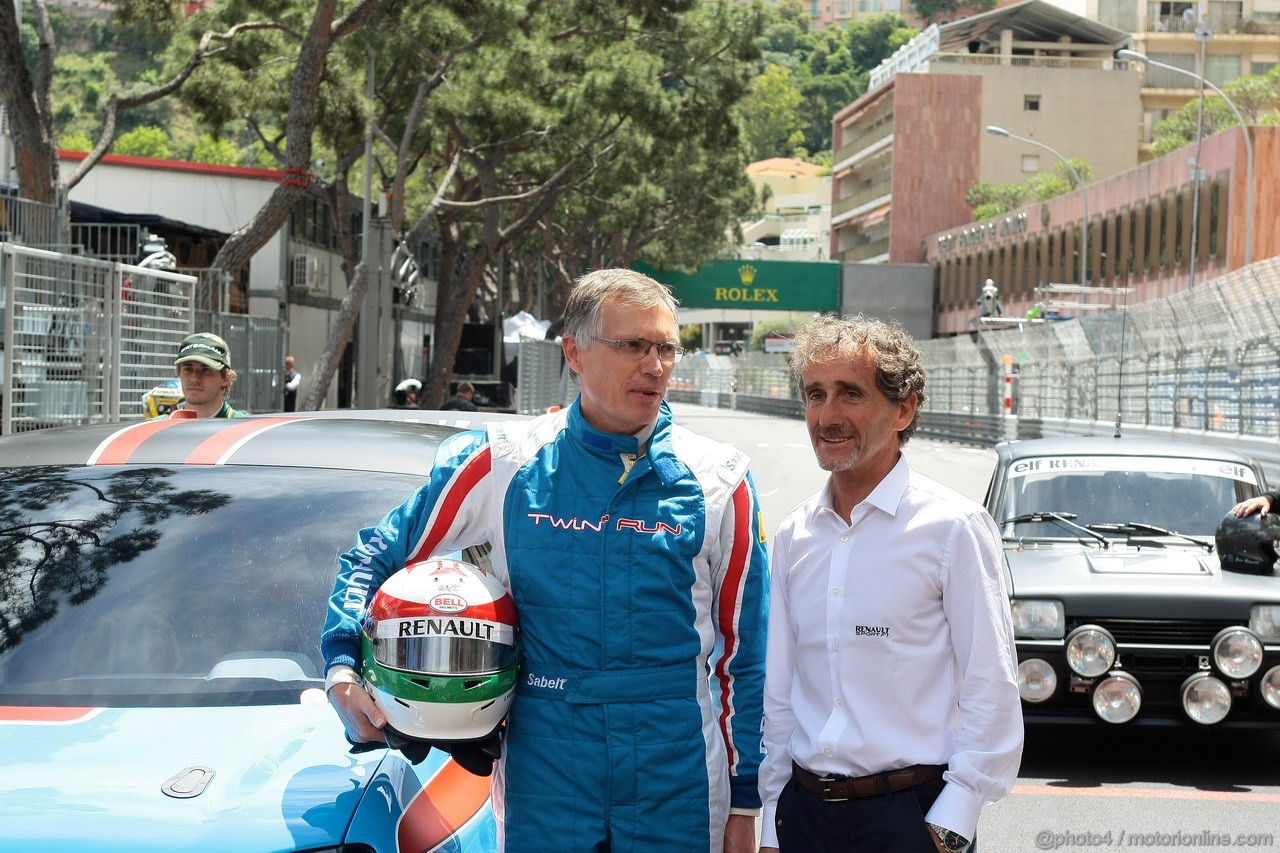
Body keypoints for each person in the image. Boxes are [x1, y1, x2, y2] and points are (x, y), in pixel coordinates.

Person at [321, 268, 769, 853]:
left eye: (666, 348)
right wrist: (342, 668)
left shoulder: (721, 478)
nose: (655, 366)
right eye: (633, 345)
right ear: (574, 352)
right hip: (546, 755)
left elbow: (747, 654)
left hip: (677, 762)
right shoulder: (501, 463)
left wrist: (746, 798)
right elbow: (375, 554)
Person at [759, 314, 1022, 853]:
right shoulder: (794, 534)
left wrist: (954, 819)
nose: (827, 416)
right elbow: (781, 690)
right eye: (815, 394)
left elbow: (989, 684)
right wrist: (772, 815)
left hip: (910, 820)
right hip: (803, 817)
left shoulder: (953, 529)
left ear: (904, 408)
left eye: (850, 394)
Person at [170, 332, 248, 419]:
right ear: (179, 373)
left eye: (205, 370)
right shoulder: (157, 427)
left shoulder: (244, 428)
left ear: (225, 378)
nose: (194, 379)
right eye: (188, 369)